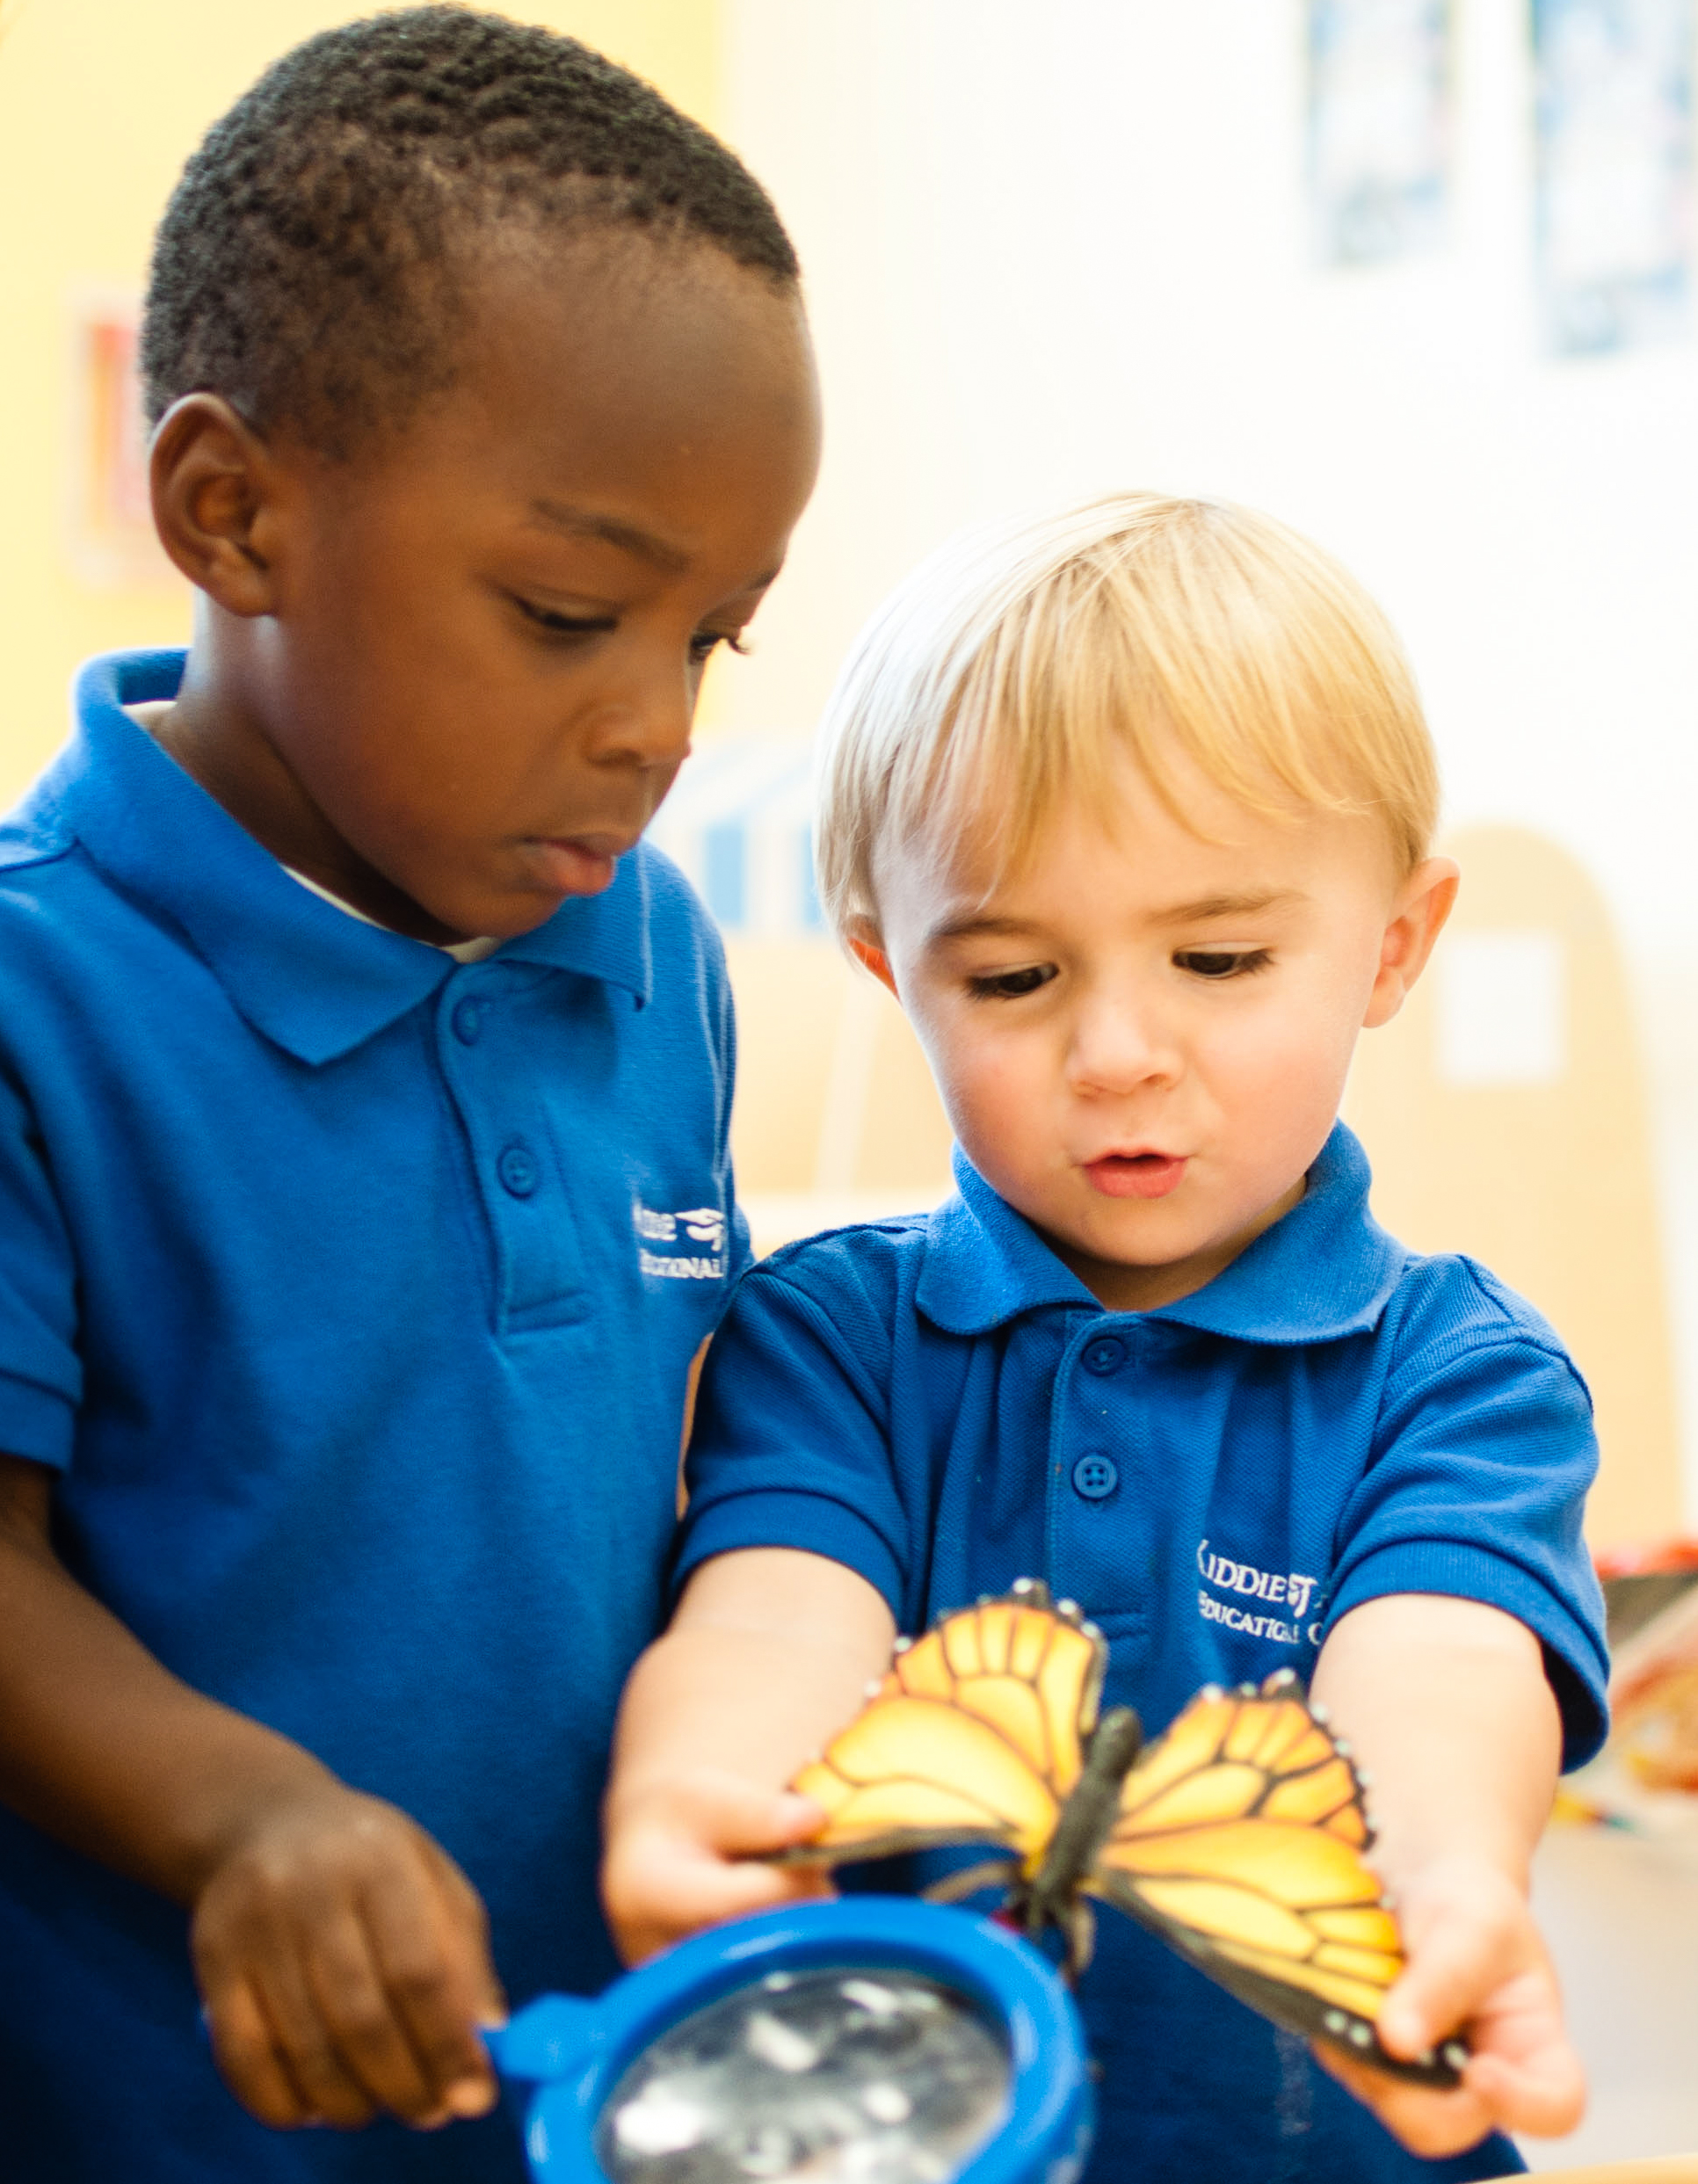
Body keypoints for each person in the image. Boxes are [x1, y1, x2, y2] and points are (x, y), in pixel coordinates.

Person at [0, 11, 818, 2180]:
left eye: (711, 638)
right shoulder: (34, 991)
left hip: (592, 2099)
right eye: (568, 613)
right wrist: (251, 1815)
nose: (654, 725)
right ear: (233, 510)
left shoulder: (655, 960)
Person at [601, 494, 1609, 2184]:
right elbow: (780, 1606)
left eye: (1217, 957)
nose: (1120, 1052)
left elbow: (1435, 1668)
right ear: (890, 969)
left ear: (1396, 944)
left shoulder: (1463, 1372)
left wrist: (1447, 1877)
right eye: (1010, 979)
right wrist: (702, 1785)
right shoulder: (836, 1332)